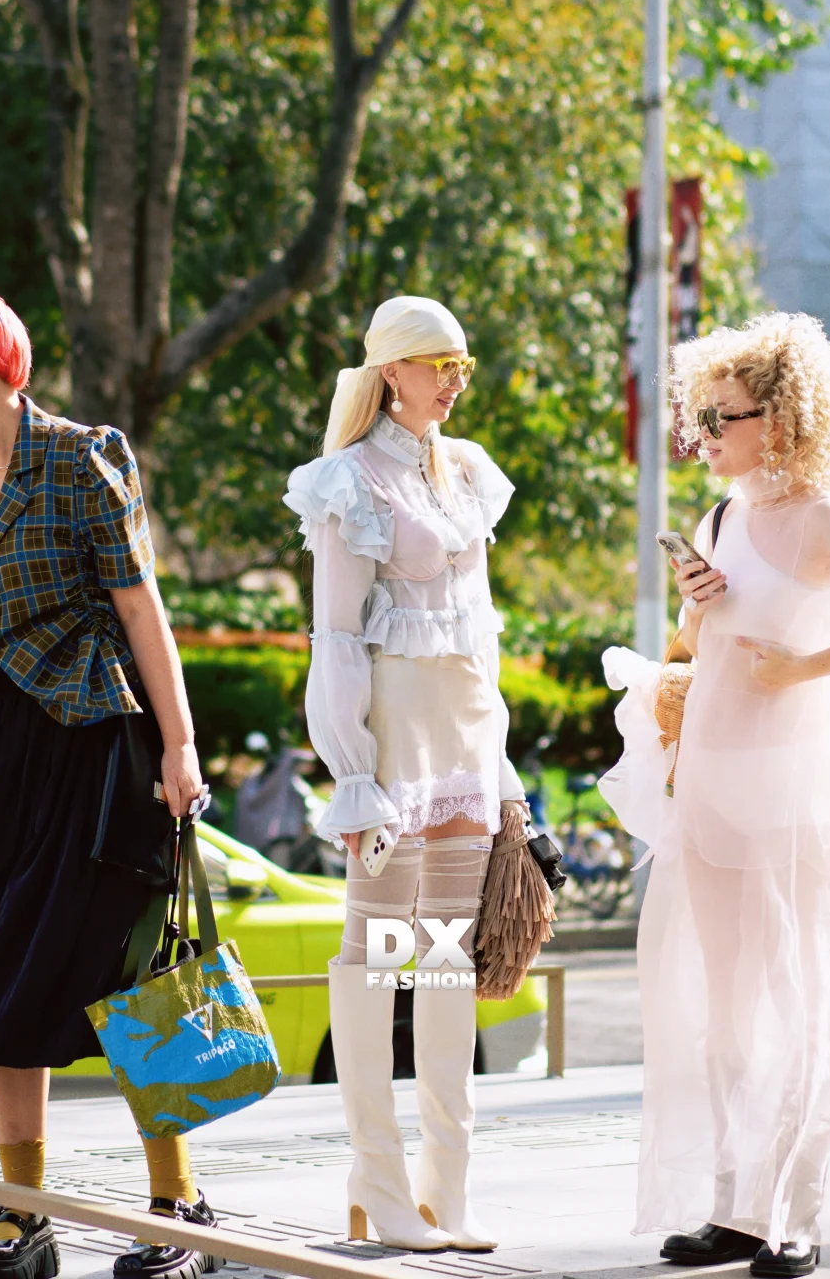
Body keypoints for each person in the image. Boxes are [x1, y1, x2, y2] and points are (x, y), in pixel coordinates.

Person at [0, 291, 218, 1279]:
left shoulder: (81, 458)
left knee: (130, 978)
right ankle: (24, 1214)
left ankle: (177, 1205)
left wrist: (181, 748)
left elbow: (141, 611)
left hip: (94, 746)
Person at [599, 312, 830, 1278]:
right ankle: (735, 1210)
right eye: (699, 418)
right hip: (712, 789)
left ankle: (797, 1217)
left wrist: (804, 666)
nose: (702, 436)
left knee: (807, 1004)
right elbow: (694, 650)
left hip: (798, 797)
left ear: (782, 422)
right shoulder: (717, 521)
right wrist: (693, 615)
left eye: (723, 418)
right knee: (725, 1009)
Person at [282, 296, 523, 1253]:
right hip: (390, 749)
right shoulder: (348, 482)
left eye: (463, 363)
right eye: (439, 363)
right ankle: (378, 1185)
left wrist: (501, 769)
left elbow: (483, 640)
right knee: (379, 960)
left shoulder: (465, 471)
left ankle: (445, 1193)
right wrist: (354, 773)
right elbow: (336, 637)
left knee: (448, 960)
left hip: (463, 745)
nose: (456, 380)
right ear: (393, 371)